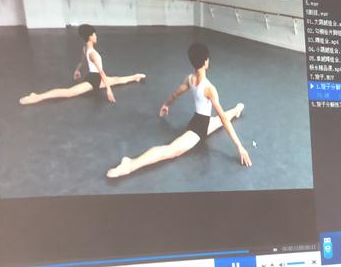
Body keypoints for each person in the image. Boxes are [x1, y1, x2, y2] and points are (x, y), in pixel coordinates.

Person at [106, 43, 251, 178]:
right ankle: (130, 164)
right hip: (197, 129)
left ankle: (237, 109)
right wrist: (240, 147)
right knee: (171, 150)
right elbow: (223, 119)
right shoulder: (209, 89)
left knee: (218, 121)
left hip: (200, 121)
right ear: (206, 61)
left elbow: (177, 93)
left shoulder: (190, 79)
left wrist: (166, 104)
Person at [19, 24, 145, 105]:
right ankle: (37, 97)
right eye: (94, 34)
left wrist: (77, 70)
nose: (96, 36)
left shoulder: (85, 48)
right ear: (90, 37)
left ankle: (136, 77)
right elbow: (101, 72)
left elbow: (82, 61)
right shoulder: (93, 54)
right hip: (94, 80)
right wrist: (109, 90)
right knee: (69, 92)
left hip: (94, 77)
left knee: (118, 80)